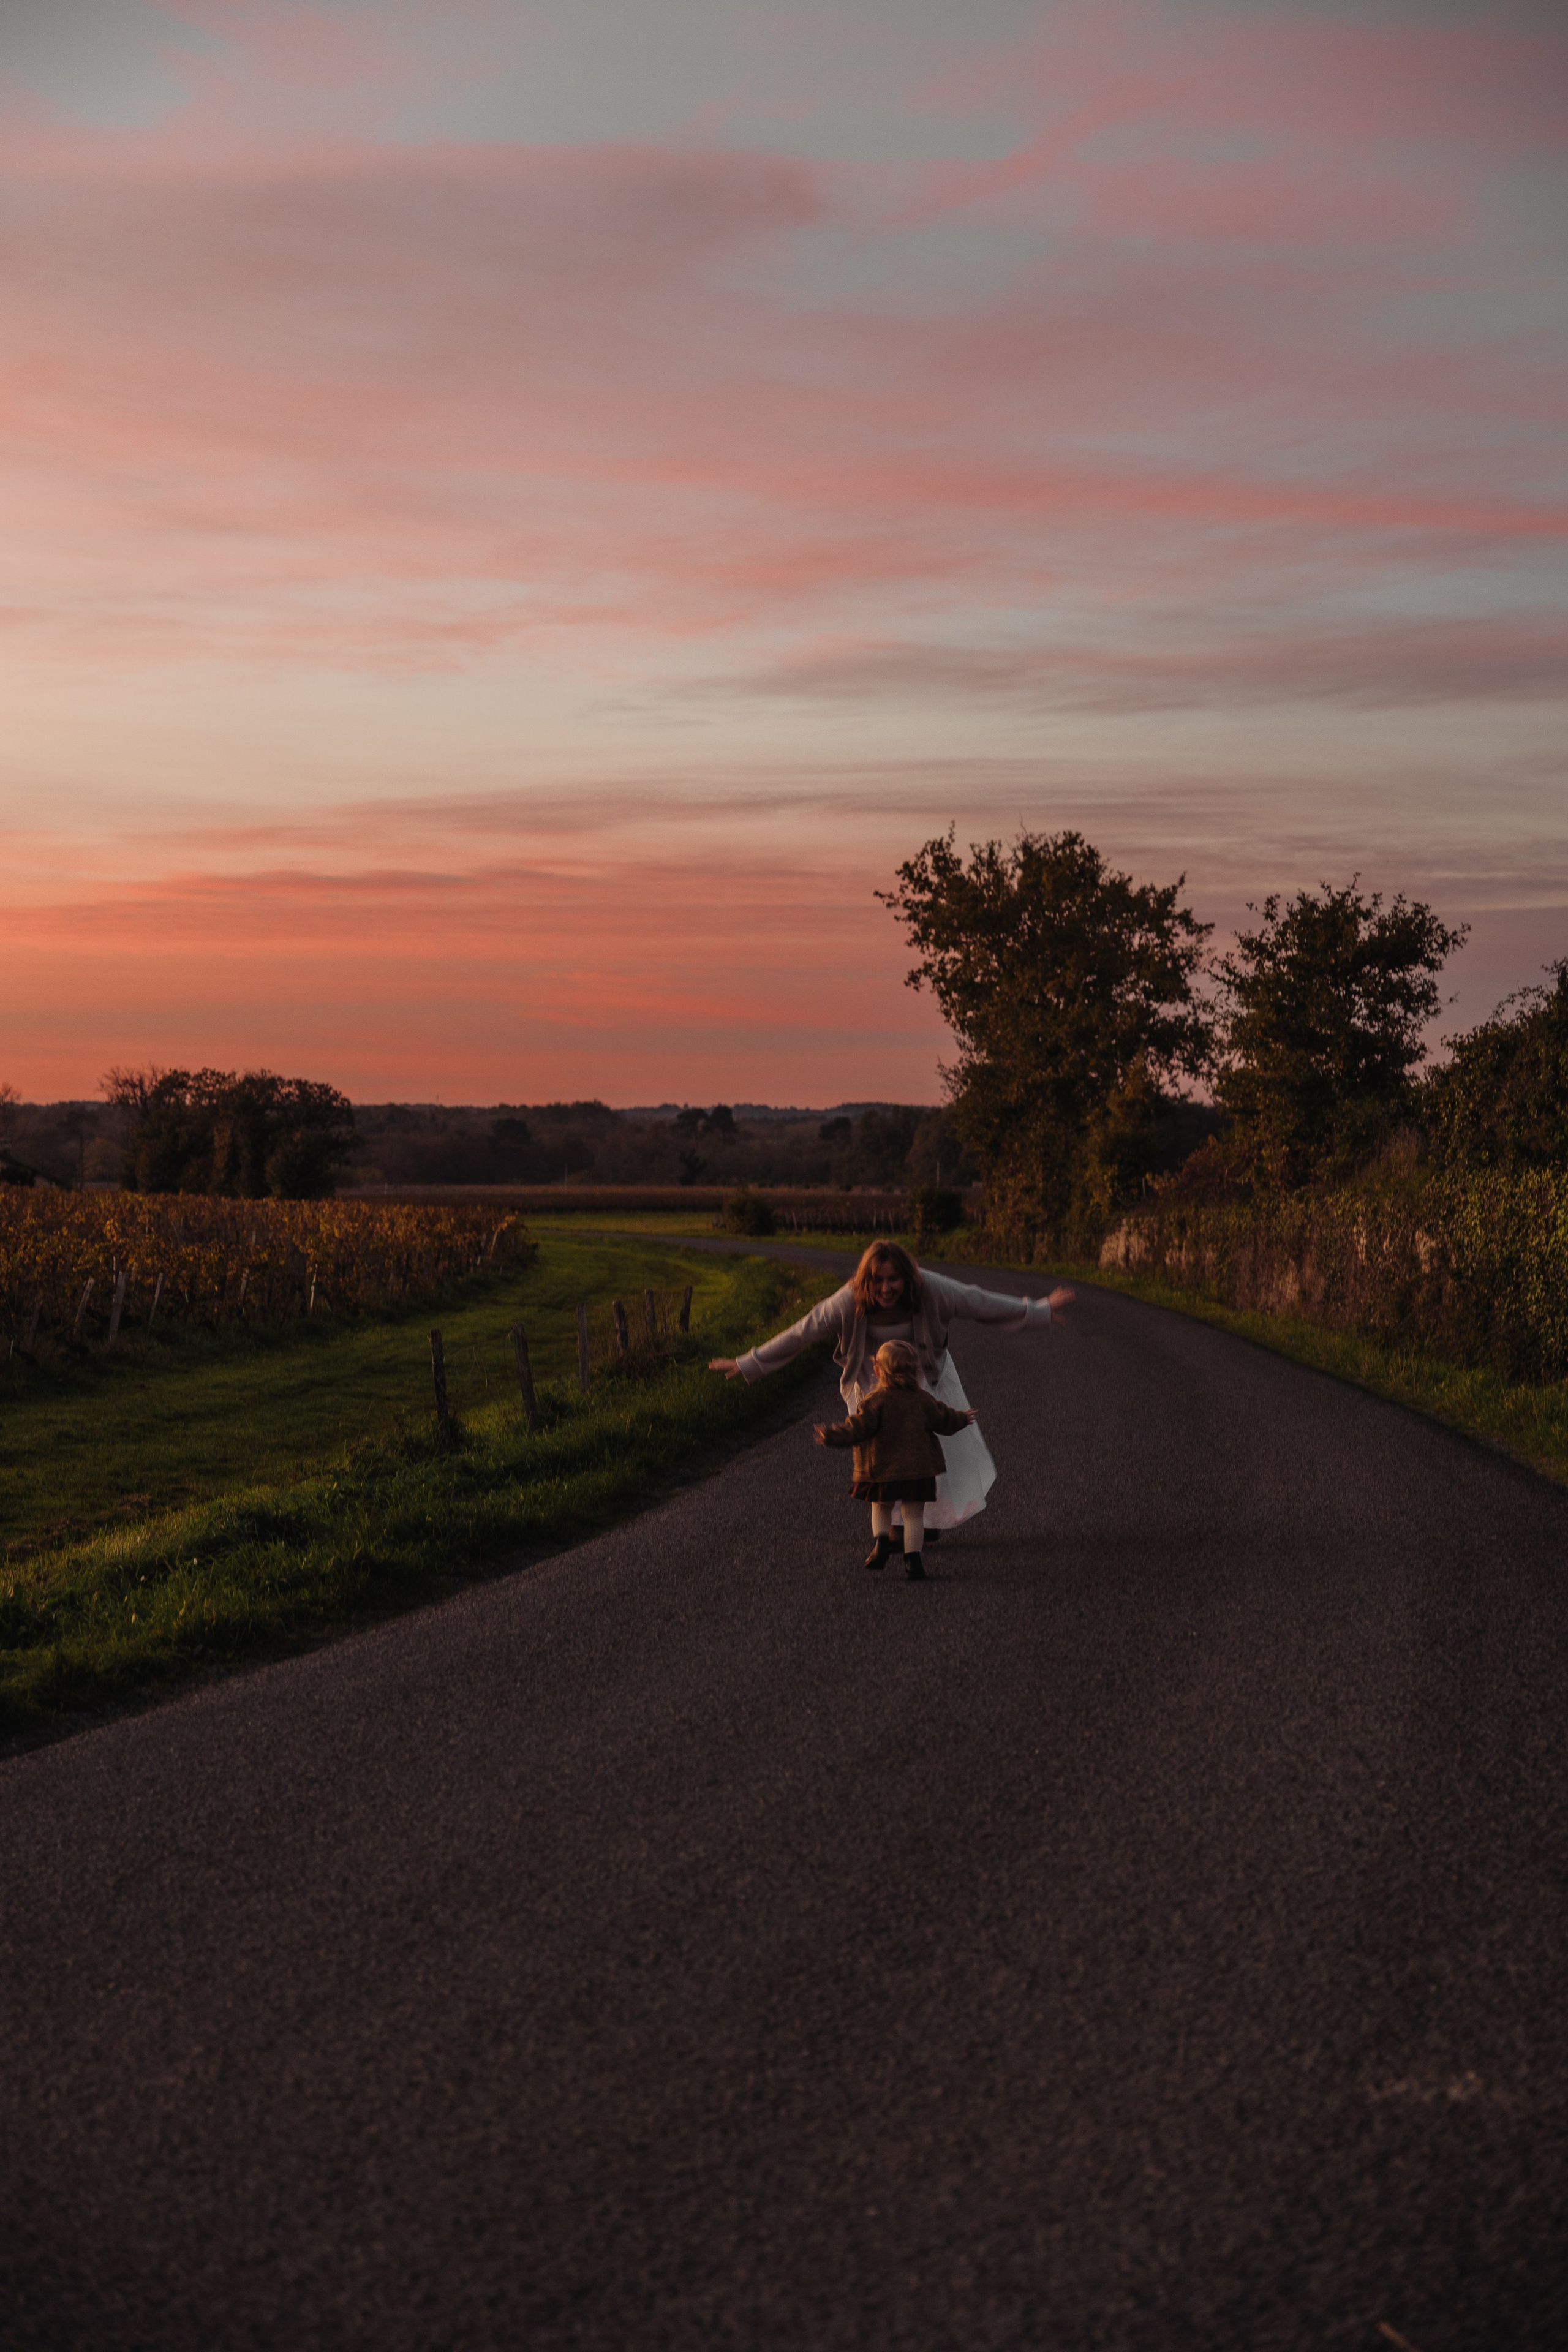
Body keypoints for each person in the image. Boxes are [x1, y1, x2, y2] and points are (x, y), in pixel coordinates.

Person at [709, 1237, 1073, 1548]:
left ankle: (925, 1520)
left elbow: (978, 1301)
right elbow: (802, 1332)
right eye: (878, 1280)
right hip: (871, 1385)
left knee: (934, 1450)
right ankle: (899, 1524)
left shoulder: (931, 1289)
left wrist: (1038, 1311)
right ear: (866, 1279)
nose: (886, 1289)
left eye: (894, 1280)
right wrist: (747, 1363)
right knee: (885, 1456)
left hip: (926, 1378)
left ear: (907, 1278)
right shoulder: (848, 1300)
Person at [813, 1339, 976, 1579]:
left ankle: (881, 1542)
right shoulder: (923, 1401)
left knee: (881, 1507)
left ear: (878, 1371)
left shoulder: (874, 1402)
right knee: (913, 1515)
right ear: (914, 1371)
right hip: (918, 1472)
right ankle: (913, 1561)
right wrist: (962, 1418)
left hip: (881, 1471)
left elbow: (856, 1429)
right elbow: (944, 1420)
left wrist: (832, 1436)